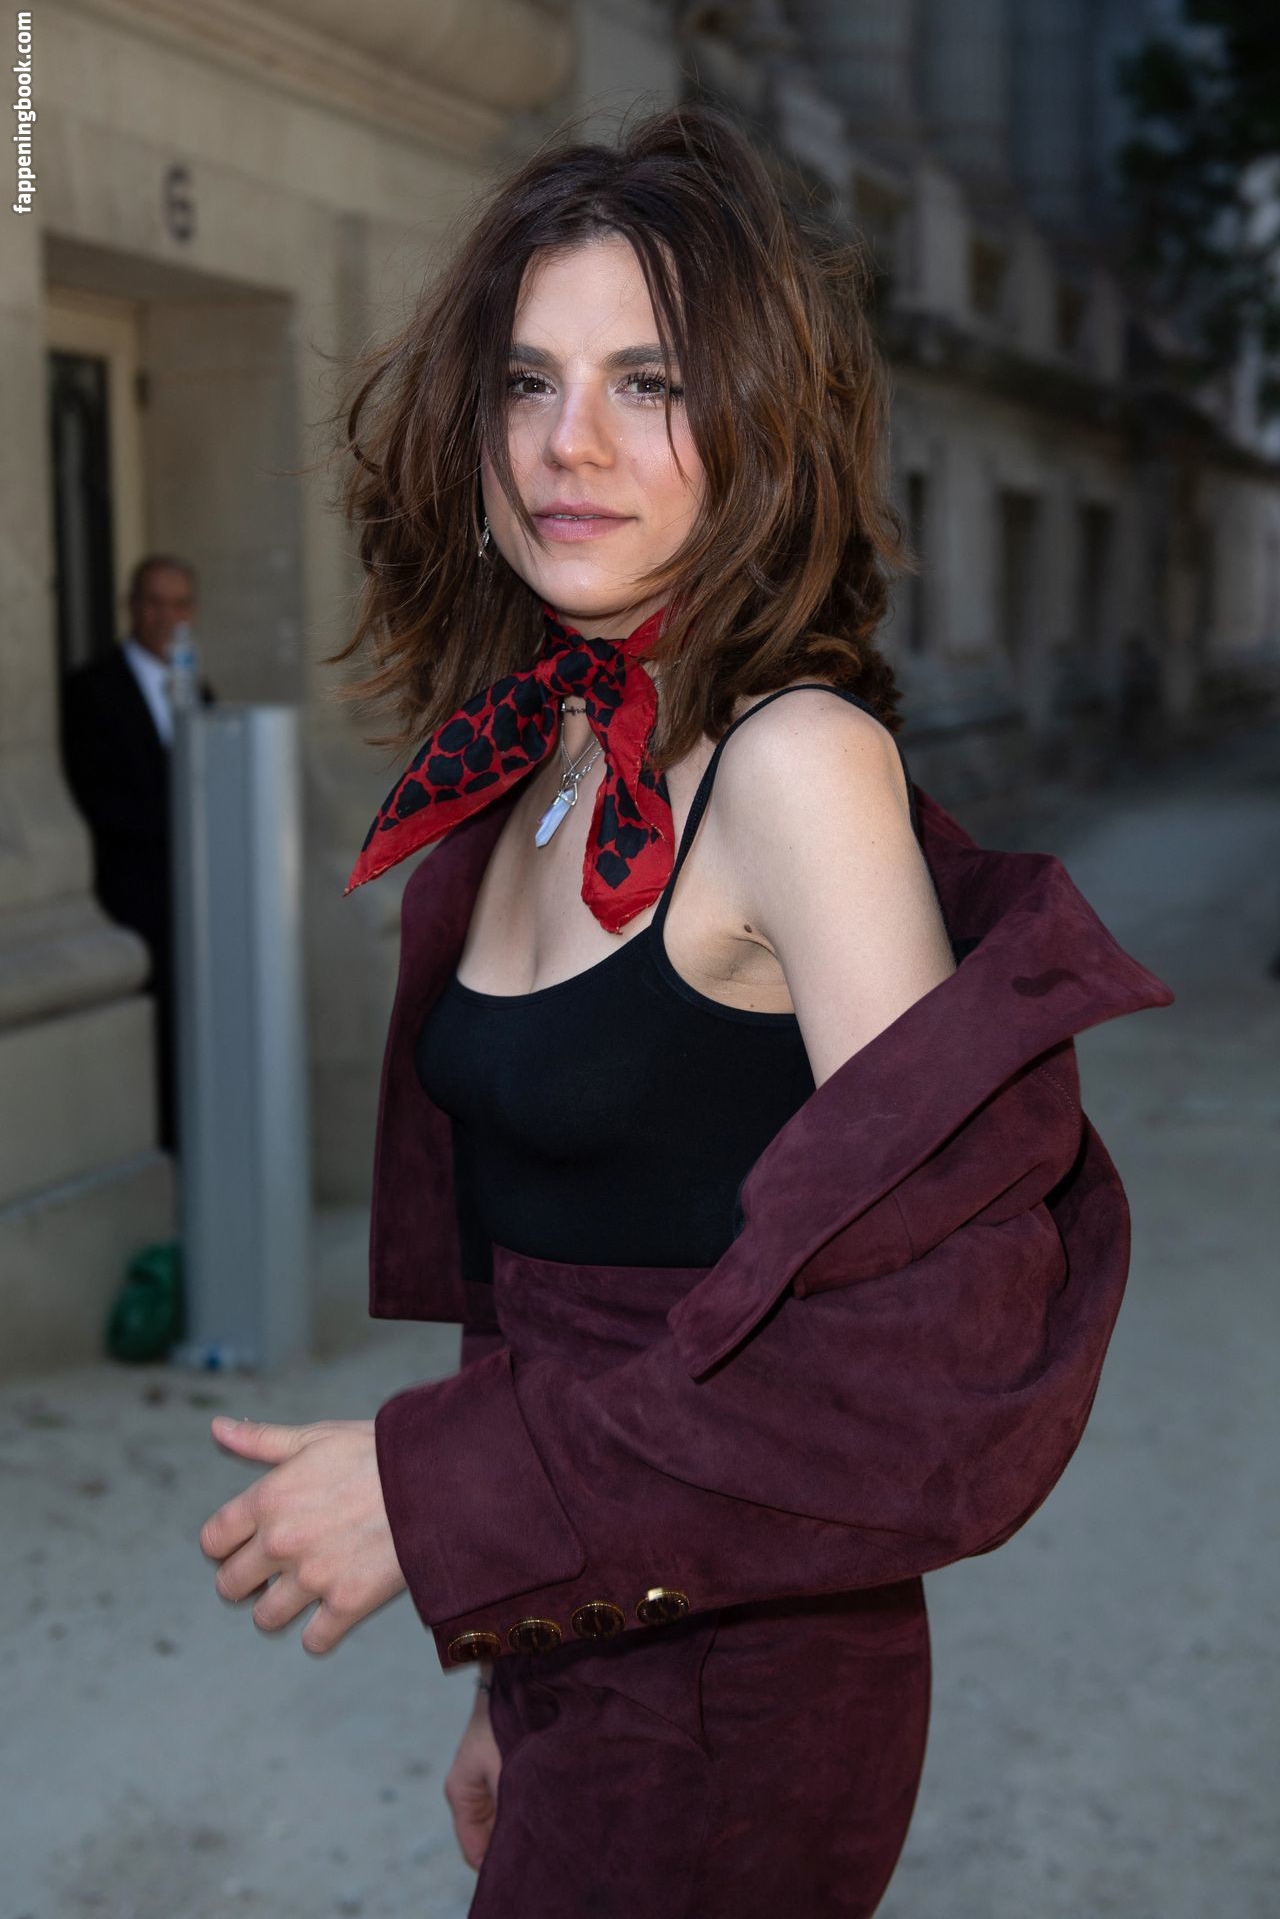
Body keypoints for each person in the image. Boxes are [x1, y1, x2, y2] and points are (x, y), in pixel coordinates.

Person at [197, 104, 1175, 1916]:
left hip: (750, 1689)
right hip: (587, 1635)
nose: (567, 441)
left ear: (759, 428)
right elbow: (543, 1286)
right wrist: (510, 1659)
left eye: (647, 382)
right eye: (527, 380)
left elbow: (939, 1354)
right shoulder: (538, 761)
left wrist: (434, 1499)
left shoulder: (798, 766)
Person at [60, 555, 215, 1151]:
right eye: (153, 602)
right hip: (130, 900)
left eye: (178, 604)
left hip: (193, 904)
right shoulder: (90, 690)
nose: (165, 616)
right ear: (131, 606)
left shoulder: (200, 688)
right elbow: (98, 797)